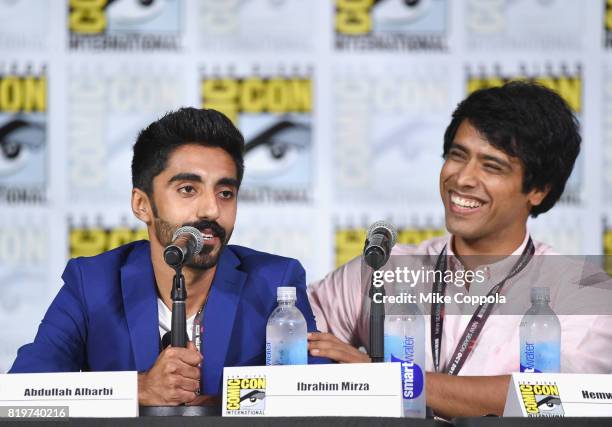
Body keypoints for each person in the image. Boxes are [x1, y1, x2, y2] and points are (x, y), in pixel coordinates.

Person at [307, 82, 612, 418]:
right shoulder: (381, 269)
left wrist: (386, 381)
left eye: (492, 166)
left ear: (538, 189)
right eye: (457, 155)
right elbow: (294, 343)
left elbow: (550, 398)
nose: (463, 178)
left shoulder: (582, 291)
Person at [10, 108, 325, 405]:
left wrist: (222, 403)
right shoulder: (92, 283)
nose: (212, 209)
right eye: (188, 189)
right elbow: (24, 388)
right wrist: (140, 388)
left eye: (225, 193)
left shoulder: (275, 281)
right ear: (142, 204)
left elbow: (309, 391)